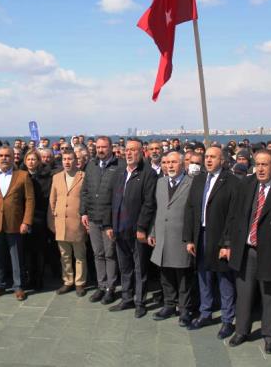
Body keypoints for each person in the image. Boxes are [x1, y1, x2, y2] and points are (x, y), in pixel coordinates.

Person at [223, 149, 271, 354]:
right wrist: (228, 243)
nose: (261, 169)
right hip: (246, 250)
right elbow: (234, 216)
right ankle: (241, 330)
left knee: (270, 295)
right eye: (258, 164)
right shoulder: (246, 185)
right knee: (244, 294)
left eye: (265, 164)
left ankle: (270, 335)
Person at [184, 146, 239, 339]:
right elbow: (190, 208)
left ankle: (227, 320)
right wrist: (189, 238)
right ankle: (205, 313)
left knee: (224, 280)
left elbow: (234, 216)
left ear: (222, 160)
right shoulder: (199, 180)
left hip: (220, 237)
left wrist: (227, 243)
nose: (208, 160)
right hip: (200, 235)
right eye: (206, 157)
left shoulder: (232, 182)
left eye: (213, 157)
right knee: (203, 276)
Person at [106, 138, 157, 318]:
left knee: (139, 268)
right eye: (126, 150)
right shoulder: (120, 172)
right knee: (125, 266)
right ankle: (127, 298)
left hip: (136, 230)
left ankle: (140, 302)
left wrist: (142, 228)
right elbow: (112, 200)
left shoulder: (148, 173)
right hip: (119, 228)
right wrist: (110, 225)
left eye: (133, 150)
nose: (128, 153)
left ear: (141, 152)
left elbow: (149, 203)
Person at [0, 146, 35, 301]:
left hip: (15, 223)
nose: (4, 158)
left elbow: (30, 201)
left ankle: (18, 286)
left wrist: (26, 222)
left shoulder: (22, 176)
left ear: (12, 158)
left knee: (16, 257)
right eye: (1, 156)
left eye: (7, 156)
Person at [148, 151, 198, 326]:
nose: (169, 165)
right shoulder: (160, 183)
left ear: (183, 164)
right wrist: (153, 232)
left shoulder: (191, 183)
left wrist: (191, 238)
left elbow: (194, 213)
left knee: (183, 276)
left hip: (182, 238)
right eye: (167, 162)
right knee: (165, 273)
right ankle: (169, 304)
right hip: (162, 235)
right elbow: (158, 210)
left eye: (174, 162)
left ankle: (185, 309)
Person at [80, 136, 124, 305]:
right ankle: (101, 285)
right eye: (98, 147)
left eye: (104, 147)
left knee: (110, 254)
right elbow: (85, 191)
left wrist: (114, 220)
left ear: (111, 148)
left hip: (110, 220)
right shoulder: (91, 165)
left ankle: (110, 288)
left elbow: (121, 195)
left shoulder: (119, 166)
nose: (100, 150)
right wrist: (83, 212)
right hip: (92, 217)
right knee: (98, 253)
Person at [48, 149, 87, 296]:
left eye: (70, 159)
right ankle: (67, 281)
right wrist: (51, 221)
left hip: (77, 223)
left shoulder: (83, 176)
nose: (67, 162)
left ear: (76, 160)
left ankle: (80, 282)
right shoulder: (56, 177)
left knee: (79, 255)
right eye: (64, 159)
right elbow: (52, 200)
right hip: (60, 222)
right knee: (64, 255)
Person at [23, 150, 52, 290]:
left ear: (39, 161)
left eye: (34, 159)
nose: (31, 162)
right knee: (27, 251)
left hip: (40, 217)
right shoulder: (21, 175)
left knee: (39, 250)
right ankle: (30, 277)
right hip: (25, 218)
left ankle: (39, 279)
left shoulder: (47, 177)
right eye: (28, 159)